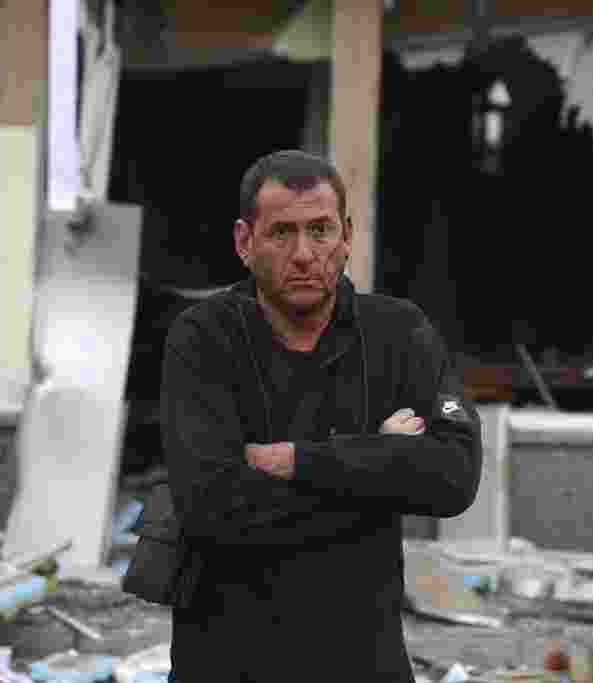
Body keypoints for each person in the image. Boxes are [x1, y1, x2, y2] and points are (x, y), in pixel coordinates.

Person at [123, 150, 483, 683]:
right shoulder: (203, 338)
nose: (303, 254)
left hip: (362, 662)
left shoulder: (398, 334)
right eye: (281, 234)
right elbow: (211, 508)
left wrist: (303, 461)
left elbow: (454, 478)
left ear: (347, 237)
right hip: (226, 661)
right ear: (245, 243)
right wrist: (380, 462)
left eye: (320, 231)